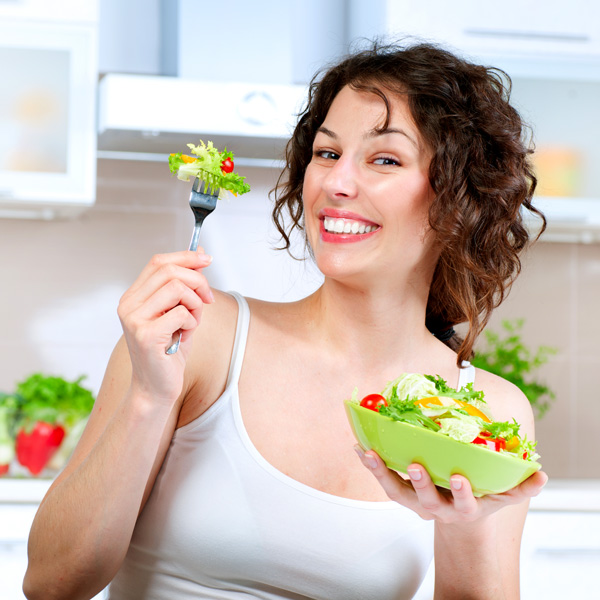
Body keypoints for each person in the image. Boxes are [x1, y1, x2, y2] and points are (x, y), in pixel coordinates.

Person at [23, 40, 548, 600]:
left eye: (385, 159)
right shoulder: (195, 335)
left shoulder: (483, 416)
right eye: (326, 153)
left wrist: (459, 525)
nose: (336, 184)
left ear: (460, 200)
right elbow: (52, 583)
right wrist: (149, 400)